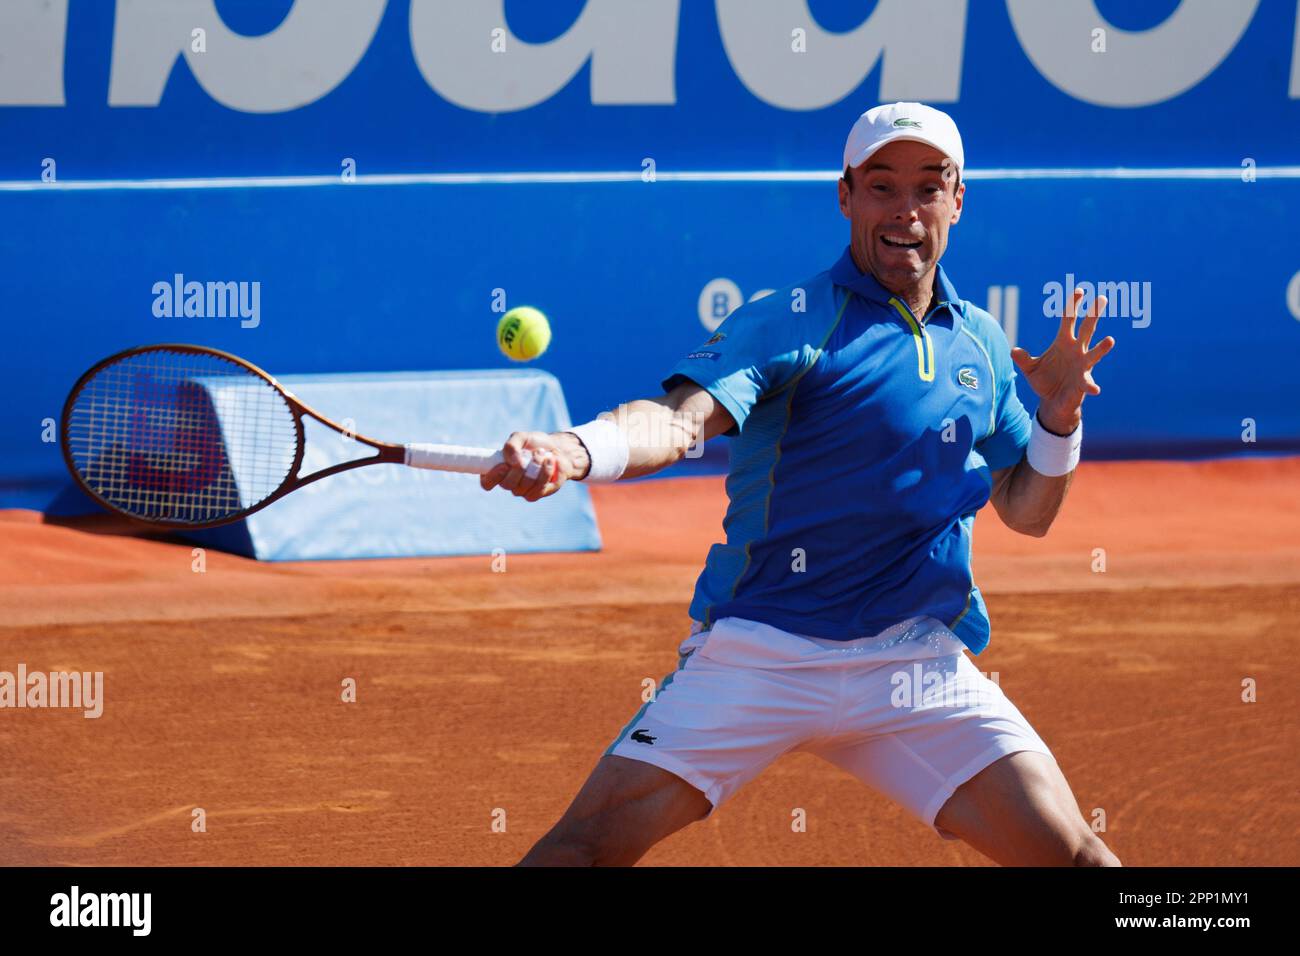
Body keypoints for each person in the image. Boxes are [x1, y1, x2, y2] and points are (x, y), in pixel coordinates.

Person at [481, 102, 1119, 867]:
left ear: (957, 200)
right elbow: (679, 422)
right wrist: (575, 449)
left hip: (914, 665)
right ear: (846, 196)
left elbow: (1029, 510)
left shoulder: (978, 339)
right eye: (882, 187)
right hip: (763, 654)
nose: (905, 210)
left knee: (1078, 856)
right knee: (582, 848)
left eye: (927, 187)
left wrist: (1057, 422)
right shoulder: (787, 322)